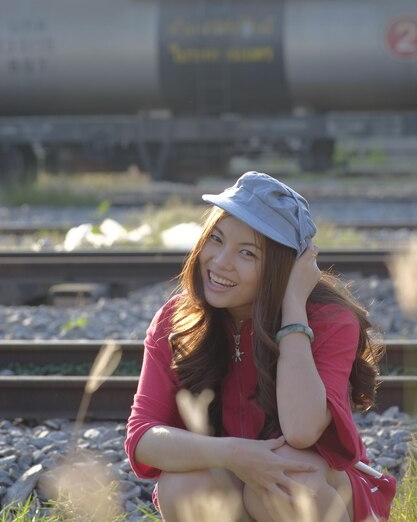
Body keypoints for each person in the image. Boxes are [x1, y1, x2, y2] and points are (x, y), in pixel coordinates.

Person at [125, 171, 397, 522]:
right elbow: (142, 438)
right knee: (181, 486)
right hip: (229, 473)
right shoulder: (176, 320)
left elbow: (301, 431)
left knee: (284, 482)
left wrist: (293, 309)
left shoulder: (330, 320)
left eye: (247, 253)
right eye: (217, 239)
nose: (221, 261)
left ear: (282, 267)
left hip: (319, 489)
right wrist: (235, 453)